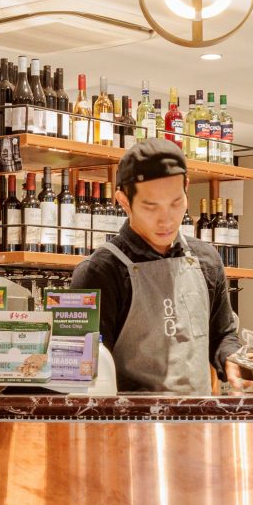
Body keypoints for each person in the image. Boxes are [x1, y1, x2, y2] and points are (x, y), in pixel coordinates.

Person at [68, 137, 242, 394]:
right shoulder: (100, 272)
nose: (167, 220)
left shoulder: (207, 260)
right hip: (129, 427)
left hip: (198, 423)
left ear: (186, 188)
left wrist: (232, 358)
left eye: (175, 203)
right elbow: (80, 373)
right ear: (123, 200)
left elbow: (223, 334)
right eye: (151, 207)